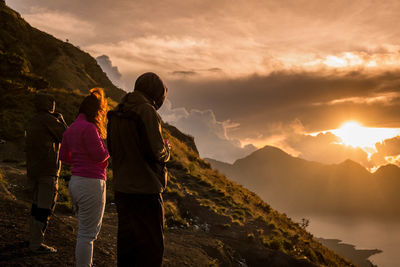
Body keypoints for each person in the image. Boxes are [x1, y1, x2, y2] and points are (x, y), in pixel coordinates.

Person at [107, 72, 170, 266]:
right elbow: (155, 150)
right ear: (156, 93)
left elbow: (112, 148)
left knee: (128, 246)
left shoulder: (118, 111)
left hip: (122, 188)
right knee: (151, 249)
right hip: (145, 190)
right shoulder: (146, 111)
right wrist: (166, 150)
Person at [59, 88, 109, 267]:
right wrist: (109, 146)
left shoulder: (71, 128)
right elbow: (100, 155)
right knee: (87, 235)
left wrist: (79, 158)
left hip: (76, 182)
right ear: (96, 111)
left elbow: (63, 156)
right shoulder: (90, 129)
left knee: (84, 232)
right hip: (91, 183)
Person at [25, 93, 68, 253]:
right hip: (47, 170)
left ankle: (32, 239)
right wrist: (61, 119)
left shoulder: (34, 119)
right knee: (45, 207)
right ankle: (36, 244)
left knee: (36, 206)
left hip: (34, 169)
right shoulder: (50, 120)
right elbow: (67, 137)